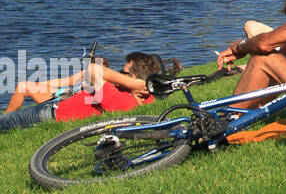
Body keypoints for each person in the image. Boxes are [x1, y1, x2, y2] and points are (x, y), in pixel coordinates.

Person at [0, 52, 165, 133]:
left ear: (134, 78)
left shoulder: (121, 99)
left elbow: (93, 69)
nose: (119, 75)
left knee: (4, 122)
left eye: (123, 73)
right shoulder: (145, 98)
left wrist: (131, 83)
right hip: (56, 103)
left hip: (50, 113)